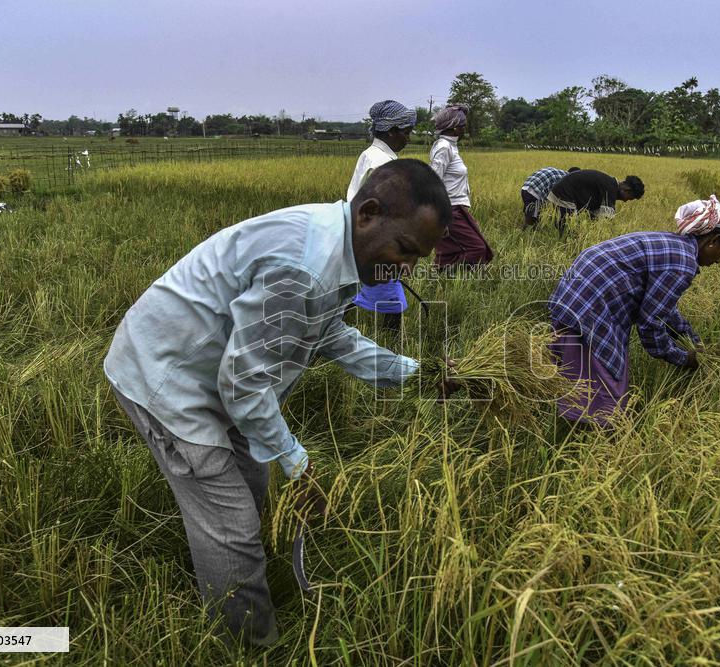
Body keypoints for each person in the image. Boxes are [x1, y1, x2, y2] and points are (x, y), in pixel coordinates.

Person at [104, 160, 451, 646]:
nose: (406, 269)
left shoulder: (338, 246)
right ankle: (250, 645)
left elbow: (332, 335)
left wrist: (416, 376)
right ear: (369, 213)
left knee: (251, 483)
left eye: (418, 259)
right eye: (406, 250)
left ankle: (225, 578)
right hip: (168, 376)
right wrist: (297, 462)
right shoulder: (304, 269)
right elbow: (244, 384)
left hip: (217, 370)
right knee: (233, 527)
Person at [547, 194, 720, 426]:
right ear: (714, 240)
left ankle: (574, 431)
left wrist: (689, 336)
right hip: (591, 306)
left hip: (575, 296)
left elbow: (663, 308)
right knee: (605, 392)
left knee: (578, 377)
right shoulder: (683, 263)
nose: (719, 261)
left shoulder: (676, 246)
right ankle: (595, 444)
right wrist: (682, 358)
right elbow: (650, 325)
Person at [346, 100, 417, 331]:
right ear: (391, 131)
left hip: (357, 233)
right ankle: (391, 351)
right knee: (390, 299)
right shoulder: (383, 162)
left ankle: (328, 335)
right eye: (406, 132)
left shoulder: (371, 154)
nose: (409, 138)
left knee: (352, 287)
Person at [429, 104, 493, 270]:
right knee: (478, 248)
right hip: (449, 209)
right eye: (463, 126)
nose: (465, 130)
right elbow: (432, 180)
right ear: (455, 128)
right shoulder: (444, 147)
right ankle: (447, 274)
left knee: (450, 250)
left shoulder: (450, 146)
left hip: (456, 207)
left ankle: (442, 277)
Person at [547, 169, 645, 237]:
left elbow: (594, 217)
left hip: (560, 194)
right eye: (629, 198)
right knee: (570, 234)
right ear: (626, 190)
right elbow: (605, 223)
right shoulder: (610, 189)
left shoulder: (609, 185)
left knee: (572, 232)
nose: (625, 201)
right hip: (563, 196)